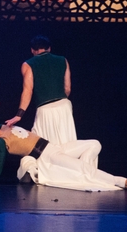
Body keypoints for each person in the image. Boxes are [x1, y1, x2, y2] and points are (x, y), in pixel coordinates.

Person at [0, 99, 127, 191]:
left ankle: (86, 175)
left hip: (53, 147)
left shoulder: (2, 126)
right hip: (47, 156)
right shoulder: (3, 143)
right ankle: (121, 181)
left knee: (94, 144)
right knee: (83, 167)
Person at [4, 35, 78, 181]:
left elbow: (28, 90)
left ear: (32, 50)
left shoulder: (28, 64)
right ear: (49, 48)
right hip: (64, 106)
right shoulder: (63, 60)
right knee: (66, 142)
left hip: (45, 108)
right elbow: (67, 88)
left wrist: (19, 115)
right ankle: (69, 174)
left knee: (42, 145)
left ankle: (36, 171)